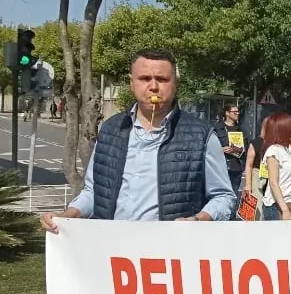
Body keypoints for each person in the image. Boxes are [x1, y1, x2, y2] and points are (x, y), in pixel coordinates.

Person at [41, 48, 236, 232]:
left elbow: (223, 197)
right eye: (144, 78)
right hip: (114, 252)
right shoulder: (111, 130)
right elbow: (94, 192)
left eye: (162, 79)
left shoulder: (201, 136)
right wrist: (66, 216)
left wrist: (198, 220)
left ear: (175, 83)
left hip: (171, 254)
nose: (153, 86)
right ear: (131, 83)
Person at [260, 112, 291, 221]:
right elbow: (273, 182)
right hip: (277, 206)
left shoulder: (286, 149)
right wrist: (284, 210)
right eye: (290, 127)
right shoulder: (273, 150)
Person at [212, 102, 246, 211]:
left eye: (238, 111)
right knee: (221, 196)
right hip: (222, 168)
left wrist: (241, 150)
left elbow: (246, 147)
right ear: (227, 113)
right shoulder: (217, 128)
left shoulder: (240, 129)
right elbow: (209, 147)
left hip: (236, 168)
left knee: (234, 195)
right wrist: (220, 150)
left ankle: (231, 219)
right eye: (234, 112)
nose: (237, 113)